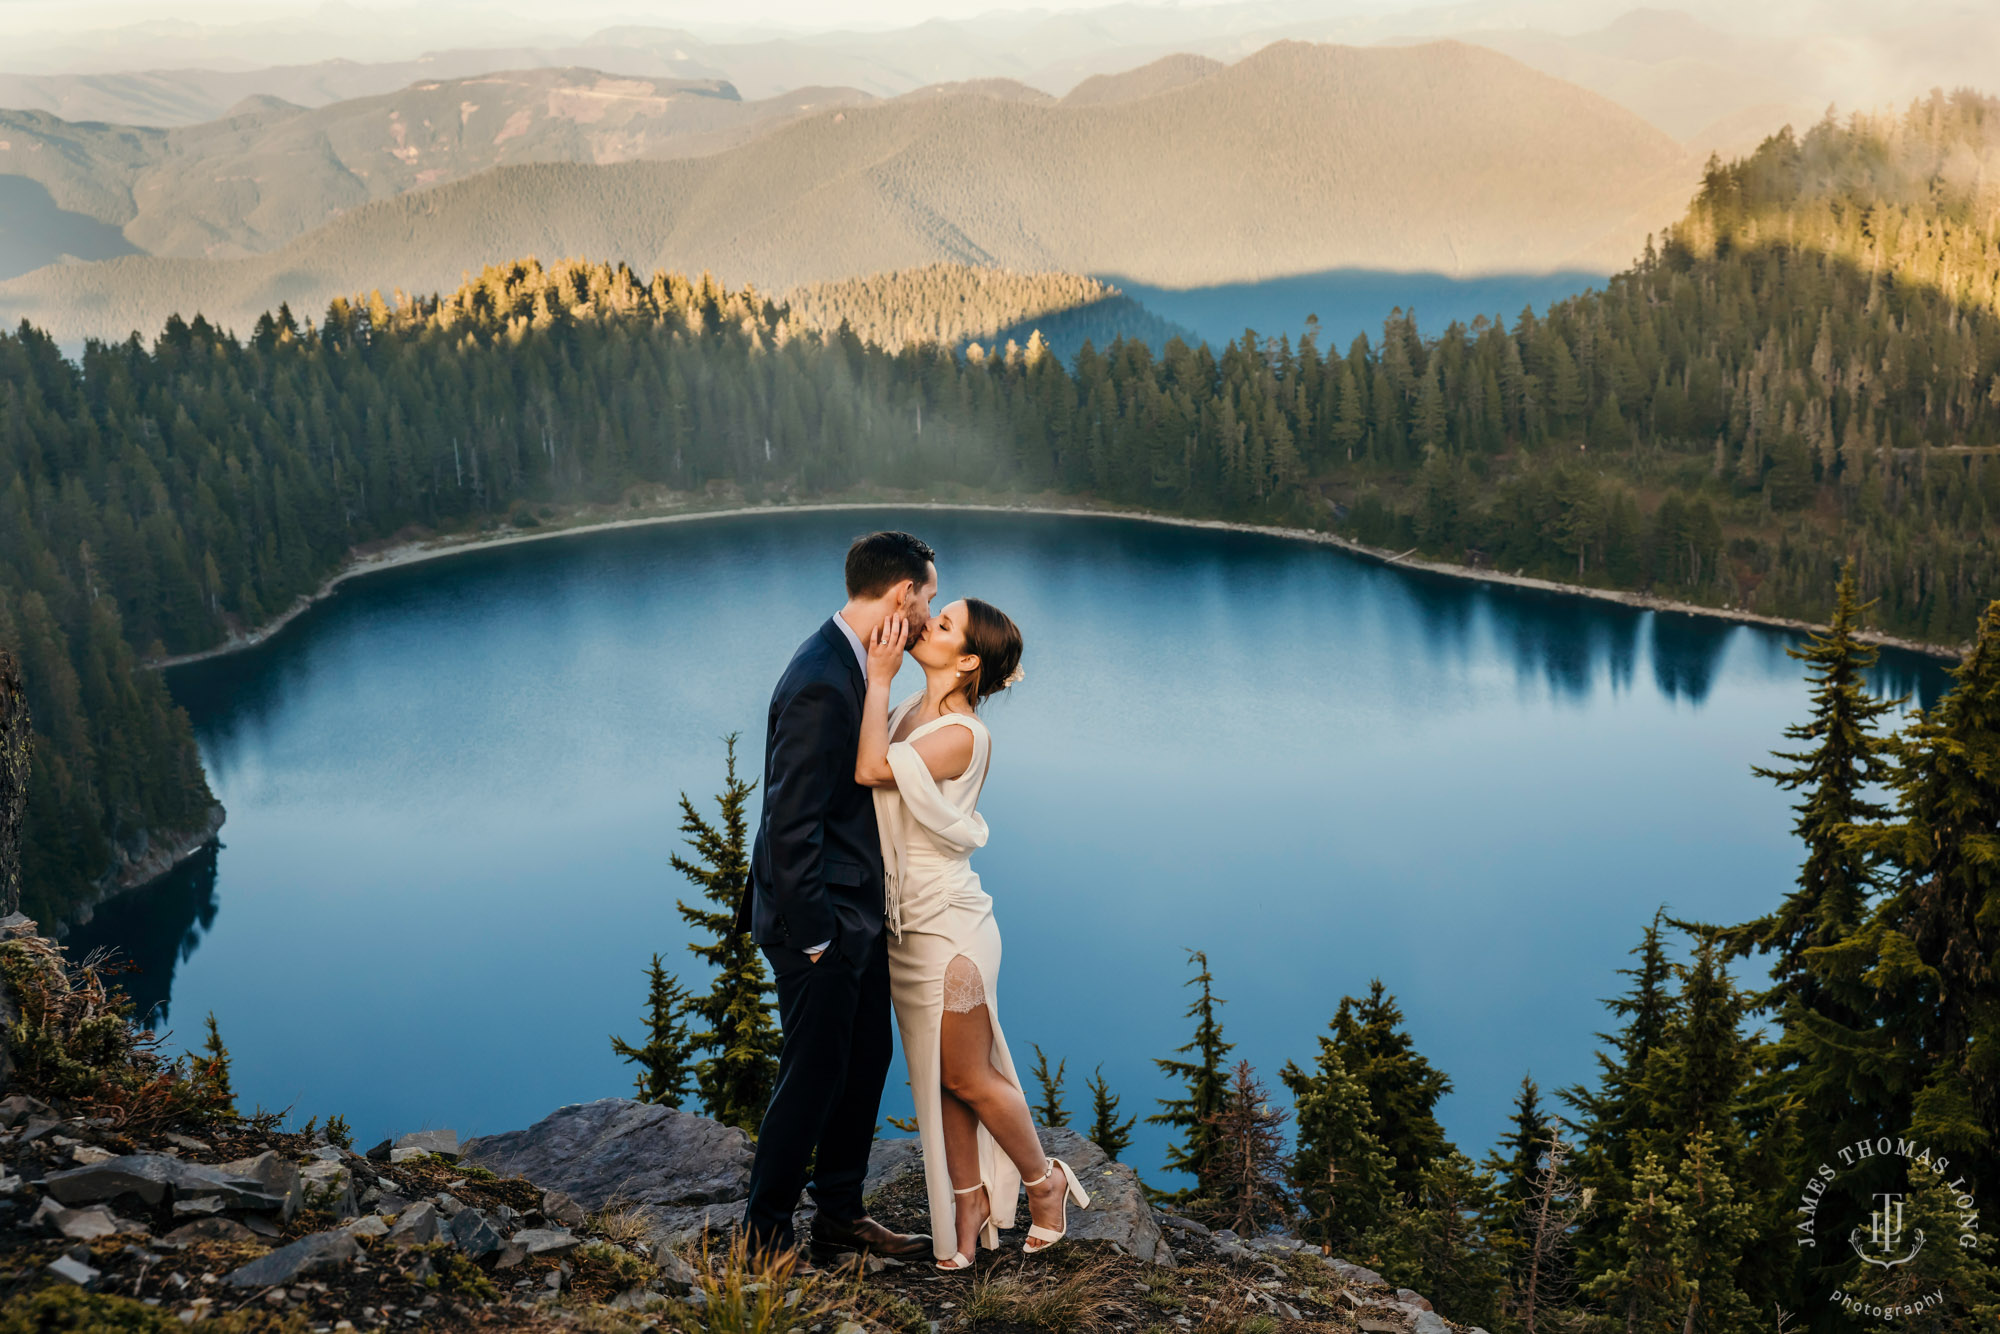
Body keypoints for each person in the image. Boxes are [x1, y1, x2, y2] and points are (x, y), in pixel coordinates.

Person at [856, 597, 1092, 1271]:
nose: (930, 622)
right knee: (938, 1080)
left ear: (967, 662)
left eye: (945, 622)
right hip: (907, 926)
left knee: (967, 1072)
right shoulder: (910, 712)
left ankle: (1047, 1184)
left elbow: (872, 769)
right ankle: (967, 1202)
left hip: (952, 926)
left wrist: (876, 675)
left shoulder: (962, 733)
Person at [737, 531, 938, 1266]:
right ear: (899, 596)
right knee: (812, 1077)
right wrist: (819, 935)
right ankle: (763, 1239)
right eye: (929, 598)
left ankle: (841, 1217)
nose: (929, 613)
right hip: (818, 921)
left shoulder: (854, 662)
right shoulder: (824, 676)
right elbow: (789, 823)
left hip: (854, 915)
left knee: (864, 1060)